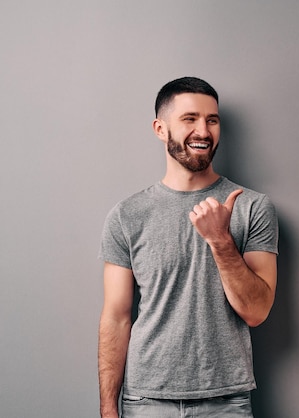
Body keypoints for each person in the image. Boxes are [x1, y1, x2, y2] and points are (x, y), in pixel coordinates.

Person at [98, 76, 279, 418]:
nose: (203, 131)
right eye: (189, 119)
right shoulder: (127, 215)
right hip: (146, 401)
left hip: (226, 400)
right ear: (160, 128)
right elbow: (116, 317)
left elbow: (256, 312)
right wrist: (108, 408)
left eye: (212, 120)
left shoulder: (253, 207)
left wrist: (221, 241)